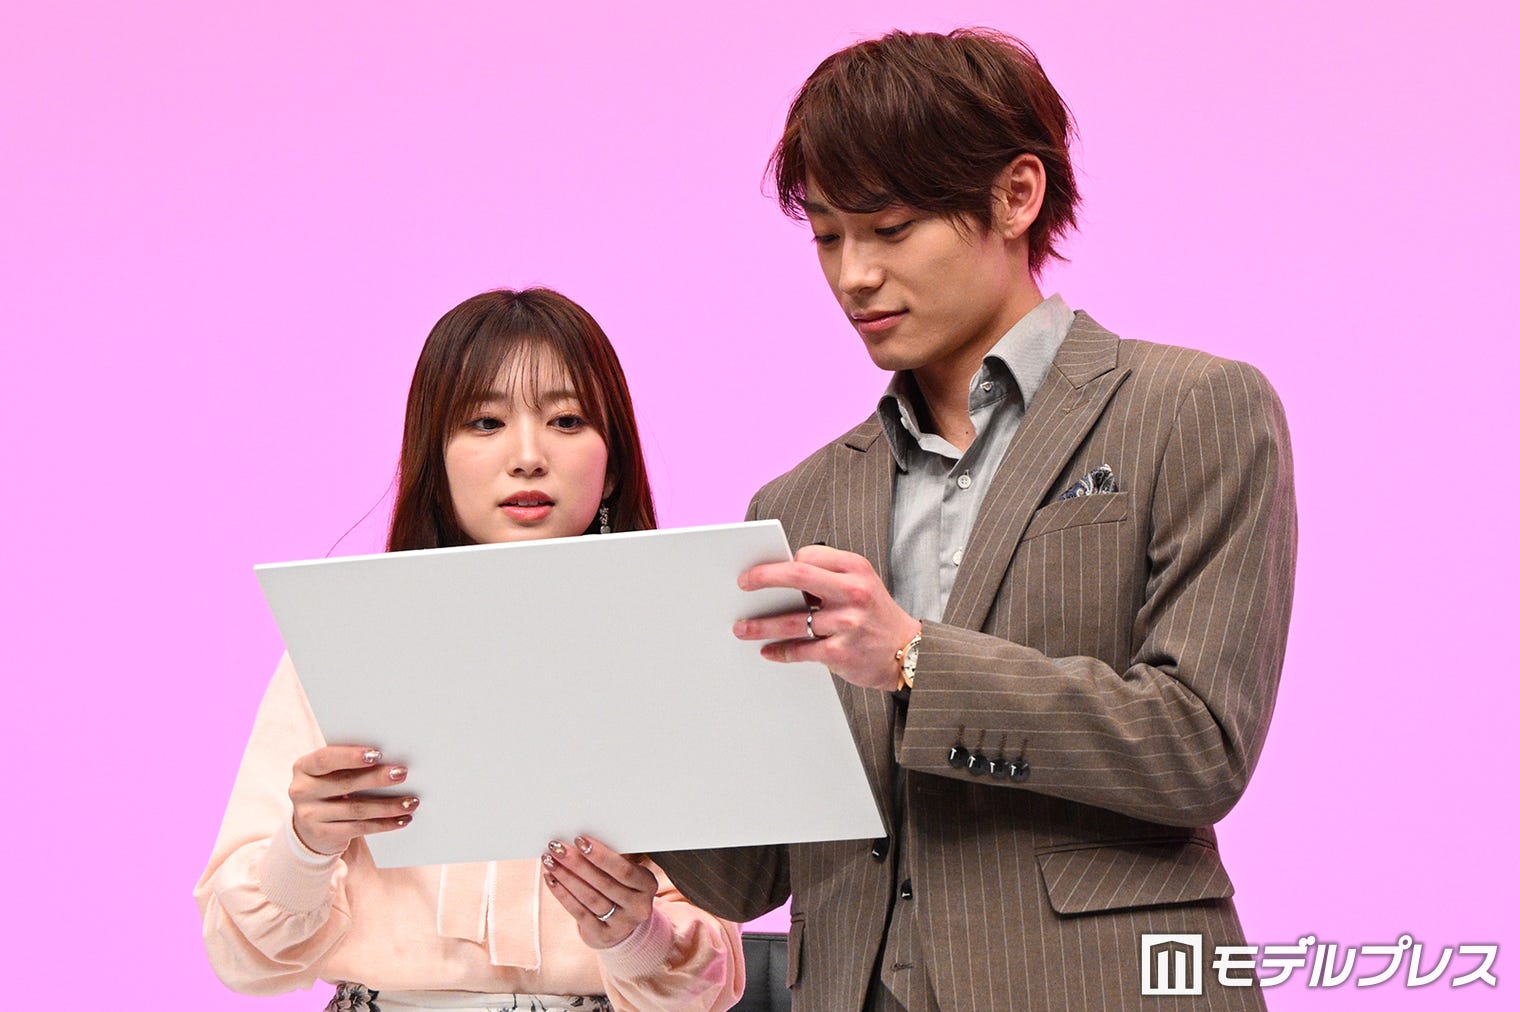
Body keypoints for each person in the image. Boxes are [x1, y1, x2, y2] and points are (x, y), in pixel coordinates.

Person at [651, 29, 1297, 1011]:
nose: (852, 275)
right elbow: (754, 875)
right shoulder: (796, 503)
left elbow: (1198, 744)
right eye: (827, 236)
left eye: (890, 227)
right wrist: (607, 764)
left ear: (1015, 195)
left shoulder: (1193, 409)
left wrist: (917, 659)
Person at [197, 289, 744, 1012]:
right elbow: (239, 957)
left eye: (567, 420)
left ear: (612, 463)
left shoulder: (675, 653)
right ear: (437, 457)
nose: (527, 457)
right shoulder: (350, 640)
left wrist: (635, 934)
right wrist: (306, 843)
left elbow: (711, 983)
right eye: (485, 422)